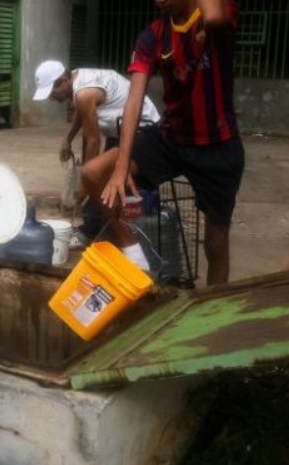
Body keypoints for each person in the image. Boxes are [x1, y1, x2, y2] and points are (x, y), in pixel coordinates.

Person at [82, 0, 243, 285]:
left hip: (218, 145)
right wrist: (120, 167)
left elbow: (215, 16)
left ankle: (213, 309)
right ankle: (134, 253)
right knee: (93, 174)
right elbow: (133, 102)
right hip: (170, 139)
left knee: (216, 245)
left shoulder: (217, 13)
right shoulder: (153, 36)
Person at [32, 61, 160, 242]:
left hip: (141, 130)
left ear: (63, 81)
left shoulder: (84, 93)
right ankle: (91, 231)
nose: (52, 99)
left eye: (52, 92)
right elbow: (82, 111)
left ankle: (107, 235)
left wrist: (84, 186)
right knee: (99, 183)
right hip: (120, 130)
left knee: (99, 180)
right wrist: (68, 139)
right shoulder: (78, 78)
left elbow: (93, 141)